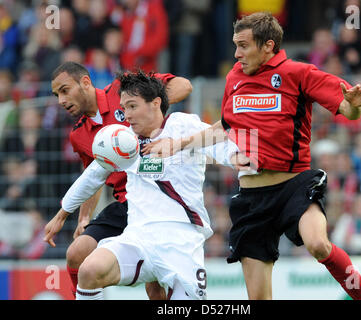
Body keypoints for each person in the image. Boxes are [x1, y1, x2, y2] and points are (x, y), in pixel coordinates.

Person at [143, 12, 361, 300]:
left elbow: (348, 110)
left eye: (243, 45)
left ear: (268, 45)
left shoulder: (299, 73)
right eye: (235, 45)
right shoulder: (234, 78)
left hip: (294, 187)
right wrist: (179, 144)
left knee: (318, 245)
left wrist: (353, 106)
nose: (237, 54)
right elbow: (225, 127)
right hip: (252, 199)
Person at [44, 70, 239, 299]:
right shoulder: (124, 140)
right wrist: (61, 214)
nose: (126, 115)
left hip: (180, 241)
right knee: (89, 269)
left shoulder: (183, 126)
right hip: (138, 237)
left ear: (156, 103)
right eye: (124, 108)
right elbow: (93, 175)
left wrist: (241, 158)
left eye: (133, 107)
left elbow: (230, 143)